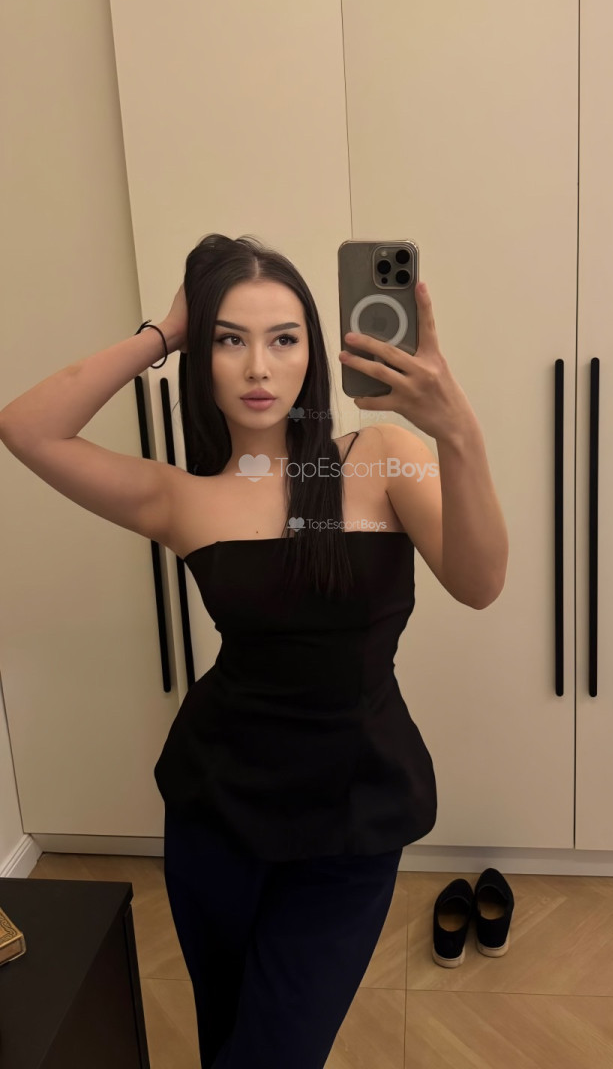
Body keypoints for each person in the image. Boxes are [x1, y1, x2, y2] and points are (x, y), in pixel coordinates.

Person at [0, 232, 508, 1068]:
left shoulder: (382, 459)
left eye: (283, 339)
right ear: (203, 355)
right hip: (217, 811)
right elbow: (26, 429)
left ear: (314, 351)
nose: (258, 367)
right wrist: (164, 332)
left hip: (353, 813)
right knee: (226, 1032)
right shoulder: (183, 498)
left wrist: (458, 433)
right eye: (230, 340)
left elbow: (479, 581)